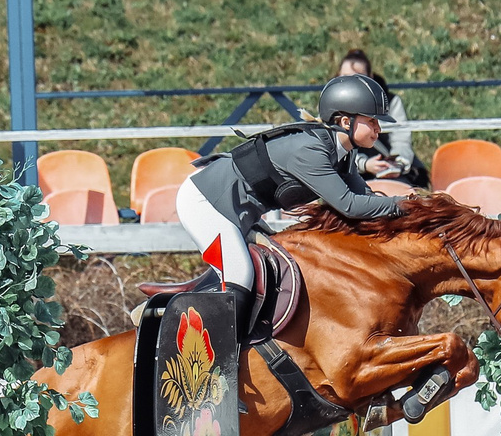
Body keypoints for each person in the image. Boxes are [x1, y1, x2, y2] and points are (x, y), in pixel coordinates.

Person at [177, 73, 406, 339]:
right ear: (346, 121)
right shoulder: (310, 151)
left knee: (279, 268)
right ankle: (222, 358)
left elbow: (368, 201)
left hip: (239, 209)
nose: (379, 128)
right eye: (372, 121)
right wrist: (405, 206)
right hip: (206, 202)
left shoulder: (343, 153)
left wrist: (415, 208)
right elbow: (350, 206)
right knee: (241, 274)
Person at [334, 49, 428, 188]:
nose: (353, 82)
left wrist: (397, 165)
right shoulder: (331, 105)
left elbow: (401, 141)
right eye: (347, 76)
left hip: (393, 173)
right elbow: (333, 147)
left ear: (370, 77)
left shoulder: (391, 102)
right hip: (349, 175)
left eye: (359, 76)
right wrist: (365, 165)